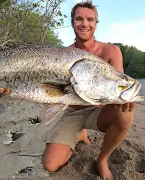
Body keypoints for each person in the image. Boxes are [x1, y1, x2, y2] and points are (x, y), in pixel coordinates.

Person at [42, 2, 135, 180]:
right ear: (72, 23)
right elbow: (52, 90)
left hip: (100, 110)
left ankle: (102, 159)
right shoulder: (63, 55)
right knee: (50, 164)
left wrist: (124, 99)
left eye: (89, 19)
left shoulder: (111, 51)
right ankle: (78, 132)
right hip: (71, 110)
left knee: (125, 114)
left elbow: (119, 85)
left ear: (96, 23)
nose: (84, 23)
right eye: (79, 19)